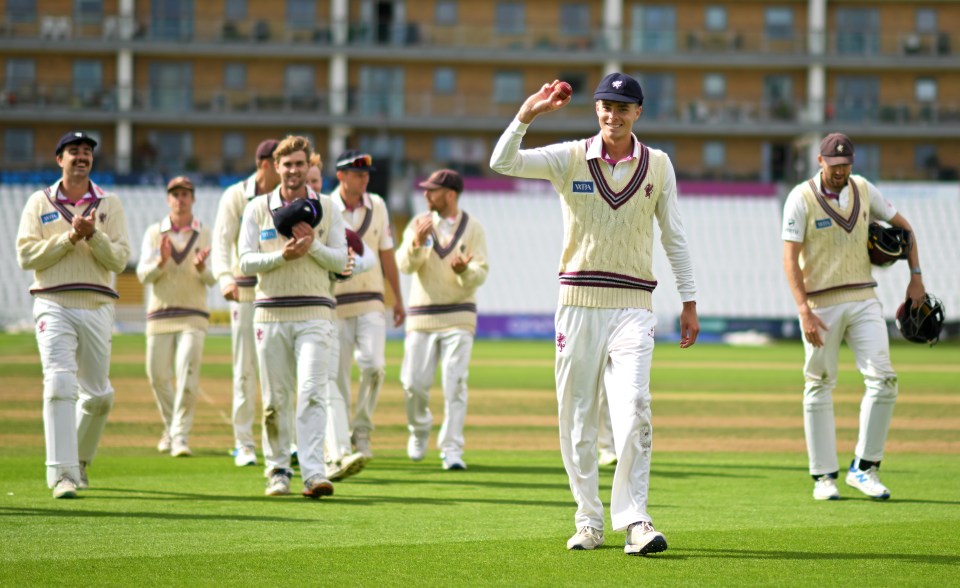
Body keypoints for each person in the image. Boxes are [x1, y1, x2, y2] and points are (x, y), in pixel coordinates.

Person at [490, 74, 700, 556]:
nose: (613, 114)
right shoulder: (568, 157)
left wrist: (689, 300)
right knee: (577, 417)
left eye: (623, 107)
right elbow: (502, 161)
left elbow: (675, 236)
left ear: (638, 112)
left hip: (633, 305)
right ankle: (589, 521)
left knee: (633, 409)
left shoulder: (658, 164)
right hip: (578, 304)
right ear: (597, 110)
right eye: (606, 105)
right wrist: (529, 112)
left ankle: (636, 521)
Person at [781, 133, 926, 502]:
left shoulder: (863, 188)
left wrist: (916, 280)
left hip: (863, 297)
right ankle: (823, 477)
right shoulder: (800, 198)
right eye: (834, 166)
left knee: (885, 379)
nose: (840, 172)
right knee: (819, 383)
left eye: (846, 165)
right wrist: (803, 311)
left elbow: (906, 229)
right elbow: (789, 258)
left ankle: (864, 468)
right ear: (820, 161)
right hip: (820, 304)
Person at [15, 131, 131, 498]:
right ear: (59, 159)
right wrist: (68, 238)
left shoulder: (108, 203)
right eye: (73, 152)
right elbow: (26, 257)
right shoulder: (39, 202)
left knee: (99, 396)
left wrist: (93, 235)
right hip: (53, 302)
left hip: (97, 304)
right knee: (60, 383)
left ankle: (78, 459)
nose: (81, 157)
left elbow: (119, 259)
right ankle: (61, 475)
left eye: (87, 152)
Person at [237, 135, 351, 498]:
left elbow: (340, 260)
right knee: (275, 400)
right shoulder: (257, 208)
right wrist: (280, 257)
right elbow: (244, 261)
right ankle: (277, 470)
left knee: (312, 392)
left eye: (300, 164)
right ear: (275, 167)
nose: (294, 170)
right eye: (287, 164)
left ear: (308, 166)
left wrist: (312, 246)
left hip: (316, 311)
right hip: (270, 314)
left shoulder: (328, 207)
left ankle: (314, 473)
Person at [396, 169, 488, 471]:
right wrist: (417, 243)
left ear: (450, 194)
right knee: (414, 384)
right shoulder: (418, 224)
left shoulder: (473, 227)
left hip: (459, 315)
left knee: (455, 383)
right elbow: (405, 266)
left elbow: (480, 273)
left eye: (432, 190)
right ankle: (419, 430)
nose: (425, 194)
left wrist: (464, 271)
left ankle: (451, 449)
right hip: (422, 317)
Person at [328, 150, 406, 469]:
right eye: (357, 174)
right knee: (339, 376)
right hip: (335, 302)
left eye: (366, 174)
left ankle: (362, 428)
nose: (364, 179)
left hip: (372, 298)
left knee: (374, 365)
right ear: (341, 176)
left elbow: (386, 253)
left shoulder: (379, 205)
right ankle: (342, 437)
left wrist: (398, 298)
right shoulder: (326, 206)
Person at [136, 176, 216, 457]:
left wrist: (202, 267)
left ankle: (180, 436)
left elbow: (213, 278)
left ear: (193, 199)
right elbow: (143, 275)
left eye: (185, 194)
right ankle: (172, 428)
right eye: (175, 194)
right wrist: (160, 262)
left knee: (187, 373)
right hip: (160, 314)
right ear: (168, 199)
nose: (180, 199)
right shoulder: (154, 233)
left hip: (193, 315)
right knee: (157, 376)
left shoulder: (205, 233)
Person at [212, 138, 279, 467]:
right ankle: (244, 443)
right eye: (279, 163)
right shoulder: (237, 195)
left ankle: (279, 442)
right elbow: (221, 242)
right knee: (245, 369)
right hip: (245, 291)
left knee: (277, 372)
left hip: (278, 293)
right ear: (266, 164)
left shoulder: (285, 197)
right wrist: (225, 277)